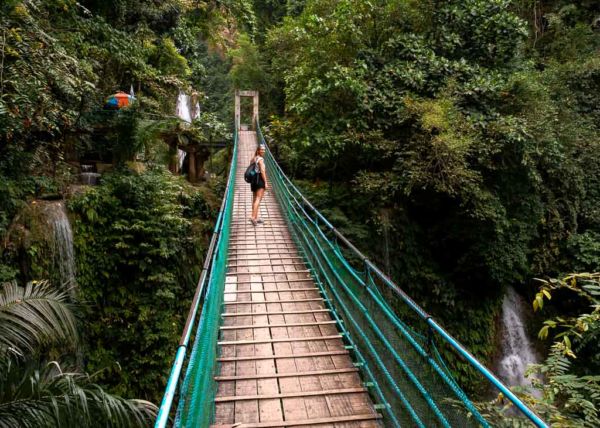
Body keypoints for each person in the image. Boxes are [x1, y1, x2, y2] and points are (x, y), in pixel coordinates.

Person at [250, 145, 269, 226]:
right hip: (259, 181)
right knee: (258, 199)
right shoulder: (260, 159)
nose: (263, 151)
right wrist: (265, 182)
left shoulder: (253, 159)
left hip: (253, 181)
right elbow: (262, 171)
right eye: (261, 150)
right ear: (258, 150)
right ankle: (253, 217)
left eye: (264, 150)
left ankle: (255, 218)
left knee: (255, 199)